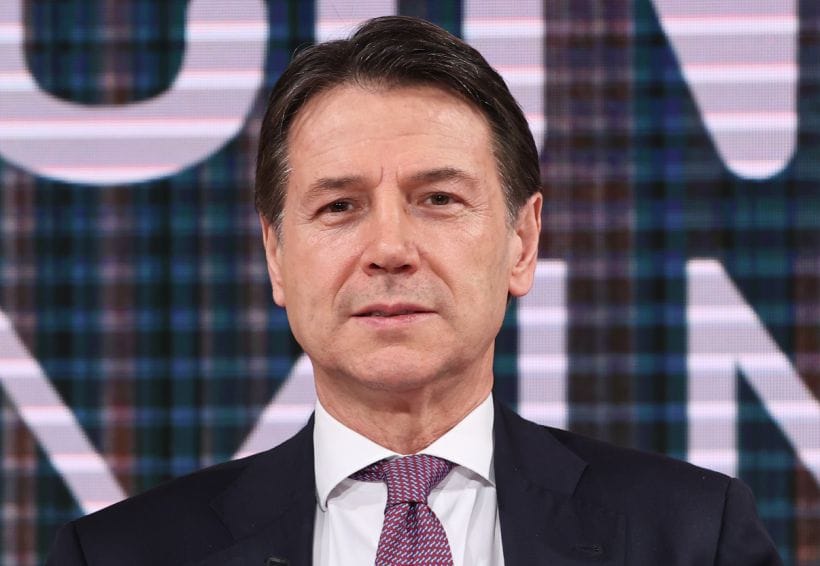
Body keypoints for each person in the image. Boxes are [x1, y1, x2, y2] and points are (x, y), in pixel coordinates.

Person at [47, 15, 781, 566]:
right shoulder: (118, 555)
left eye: (438, 199)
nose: (390, 250)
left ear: (522, 242)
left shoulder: (691, 536)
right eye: (340, 206)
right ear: (276, 255)